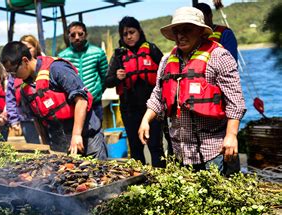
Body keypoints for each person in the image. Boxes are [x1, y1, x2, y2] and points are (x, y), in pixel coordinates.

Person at [138, 7, 246, 175]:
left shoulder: (219, 57)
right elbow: (158, 96)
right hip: (179, 151)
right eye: (177, 31)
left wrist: (231, 135)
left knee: (215, 199)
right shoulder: (167, 60)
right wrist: (146, 119)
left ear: (201, 32)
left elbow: (236, 102)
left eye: (187, 30)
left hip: (212, 151)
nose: (181, 36)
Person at [0, 41, 107, 160]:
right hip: (61, 140)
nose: (13, 76)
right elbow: (37, 119)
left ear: (25, 61)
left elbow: (81, 100)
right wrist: (46, 147)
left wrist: (76, 135)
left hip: (87, 134)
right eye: (10, 73)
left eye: (14, 71)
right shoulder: (24, 88)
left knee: (99, 174)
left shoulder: (56, 68)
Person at [105, 16, 166, 168]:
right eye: (125, 34)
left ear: (139, 31)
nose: (129, 36)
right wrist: (117, 77)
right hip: (129, 110)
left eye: (132, 32)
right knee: (136, 149)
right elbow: (108, 81)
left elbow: (166, 73)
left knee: (155, 147)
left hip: (153, 109)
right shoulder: (119, 55)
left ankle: (161, 180)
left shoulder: (151, 49)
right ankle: (140, 181)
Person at [58, 21, 108, 121]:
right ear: (68, 37)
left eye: (80, 34)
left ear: (86, 34)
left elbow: (105, 77)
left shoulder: (98, 53)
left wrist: (97, 93)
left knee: (97, 135)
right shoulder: (63, 56)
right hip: (73, 104)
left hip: (95, 104)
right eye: (73, 35)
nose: (77, 37)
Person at [6, 35, 42, 144]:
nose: (26, 51)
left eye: (29, 48)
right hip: (26, 118)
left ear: (36, 48)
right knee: (35, 148)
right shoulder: (14, 72)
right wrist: (14, 119)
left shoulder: (44, 67)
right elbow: (10, 97)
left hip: (44, 116)